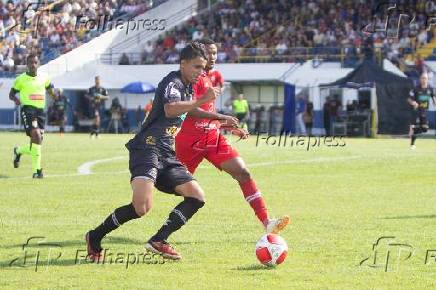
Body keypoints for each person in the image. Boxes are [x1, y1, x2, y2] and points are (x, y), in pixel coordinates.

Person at [85, 42, 216, 261]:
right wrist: (203, 99)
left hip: (166, 153)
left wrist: (221, 118)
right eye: (196, 67)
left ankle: (159, 240)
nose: (200, 72)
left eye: (202, 68)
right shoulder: (172, 82)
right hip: (147, 147)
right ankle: (94, 237)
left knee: (197, 196)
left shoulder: (188, 87)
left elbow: (190, 110)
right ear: (183, 63)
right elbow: (170, 108)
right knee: (141, 207)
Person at [175, 38, 290, 234]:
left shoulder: (214, 76)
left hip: (213, 139)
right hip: (189, 141)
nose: (213, 57)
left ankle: (266, 222)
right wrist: (221, 118)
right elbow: (190, 110)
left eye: (215, 53)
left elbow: (207, 108)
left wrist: (228, 126)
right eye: (209, 53)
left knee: (243, 173)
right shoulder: (191, 78)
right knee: (173, 187)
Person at [10, 54, 56, 178]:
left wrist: (54, 94)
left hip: (41, 112)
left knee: (37, 142)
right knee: (36, 135)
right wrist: (16, 100)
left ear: (38, 64)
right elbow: (11, 94)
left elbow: (50, 89)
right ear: (27, 64)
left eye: (35, 63)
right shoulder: (20, 79)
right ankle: (37, 171)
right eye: (30, 63)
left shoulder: (44, 77)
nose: (33, 65)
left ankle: (18, 151)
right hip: (28, 110)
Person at [408, 72, 435, 149]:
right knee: (418, 125)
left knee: (425, 129)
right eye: (422, 78)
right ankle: (412, 145)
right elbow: (409, 99)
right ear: (420, 79)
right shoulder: (416, 88)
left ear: (427, 79)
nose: (424, 80)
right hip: (416, 111)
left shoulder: (430, 88)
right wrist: (413, 102)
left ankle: (413, 129)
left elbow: (433, 96)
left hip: (424, 112)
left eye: (425, 78)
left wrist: (434, 101)